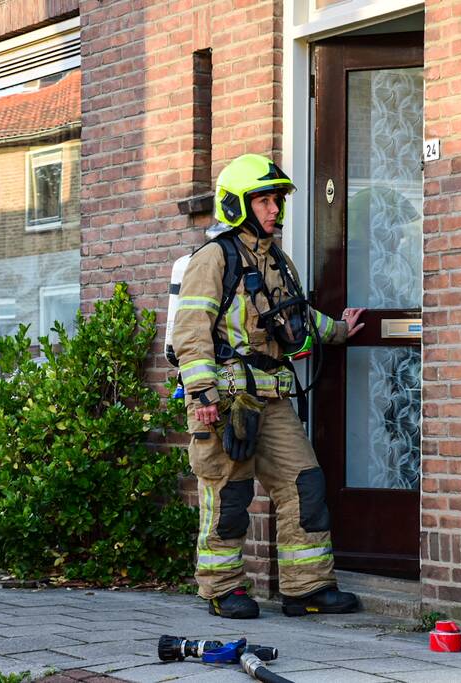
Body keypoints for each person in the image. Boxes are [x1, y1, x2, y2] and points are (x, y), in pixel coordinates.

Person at [172, 153, 365, 619]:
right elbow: (190, 331)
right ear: (237, 204)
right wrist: (202, 397)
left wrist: (339, 330)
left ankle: (307, 588)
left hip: (271, 400)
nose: (275, 209)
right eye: (264, 200)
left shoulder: (278, 261)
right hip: (224, 401)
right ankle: (222, 588)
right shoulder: (213, 258)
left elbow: (293, 317)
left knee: (304, 483)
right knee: (229, 493)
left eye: (276, 200)